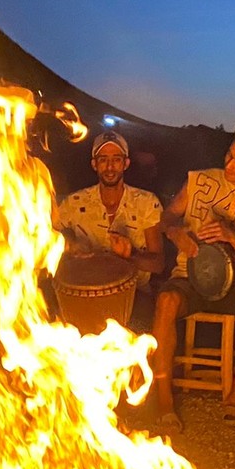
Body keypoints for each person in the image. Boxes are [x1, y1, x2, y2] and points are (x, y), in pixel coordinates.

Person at [150, 120, 235, 430]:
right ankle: (164, 400)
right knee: (167, 299)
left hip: (234, 286)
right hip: (190, 277)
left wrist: (233, 236)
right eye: (229, 155)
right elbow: (166, 217)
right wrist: (175, 233)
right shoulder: (200, 181)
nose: (230, 165)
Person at [53, 130, 164, 327]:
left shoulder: (146, 202)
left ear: (125, 164)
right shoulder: (74, 203)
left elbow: (158, 263)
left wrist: (129, 256)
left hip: (133, 292)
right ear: (94, 164)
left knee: (140, 322)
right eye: (103, 160)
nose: (110, 167)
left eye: (116, 159)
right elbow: (46, 237)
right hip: (81, 292)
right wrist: (69, 244)